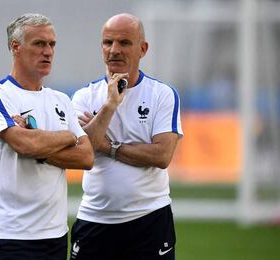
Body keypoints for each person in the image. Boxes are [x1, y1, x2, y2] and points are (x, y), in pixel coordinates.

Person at [0, 13, 94, 260]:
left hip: (55, 234)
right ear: (15, 47)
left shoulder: (61, 100)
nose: (48, 51)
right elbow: (25, 144)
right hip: (13, 235)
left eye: (52, 44)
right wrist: (68, 136)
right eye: (39, 44)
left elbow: (86, 157)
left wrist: (42, 141)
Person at [70, 13, 183, 260]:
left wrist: (109, 146)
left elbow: (162, 155)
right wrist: (110, 105)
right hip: (94, 218)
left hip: (149, 219)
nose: (114, 50)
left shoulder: (162, 95)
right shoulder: (83, 97)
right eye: (107, 42)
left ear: (142, 49)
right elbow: (84, 151)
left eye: (124, 42)